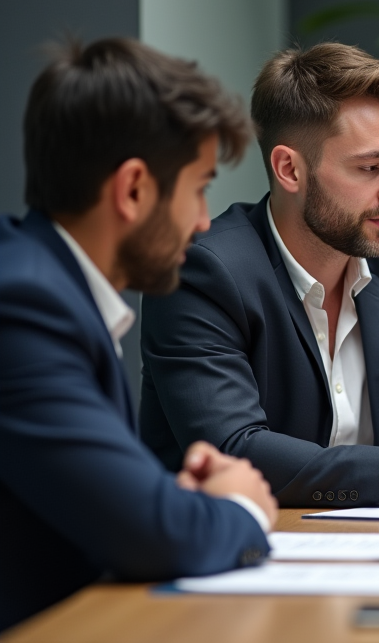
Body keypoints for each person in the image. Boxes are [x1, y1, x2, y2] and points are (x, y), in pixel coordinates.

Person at [139, 43, 379, 508]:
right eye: (370, 167)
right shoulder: (203, 272)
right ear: (289, 169)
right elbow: (234, 448)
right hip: (235, 557)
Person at [0, 38, 278, 632]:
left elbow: (85, 504)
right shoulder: (25, 305)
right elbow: (151, 538)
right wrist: (241, 506)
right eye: (200, 186)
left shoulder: (46, 286)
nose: (205, 220)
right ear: (132, 190)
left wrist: (161, 496)